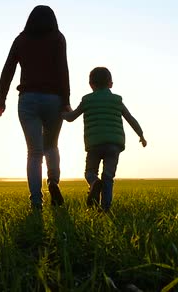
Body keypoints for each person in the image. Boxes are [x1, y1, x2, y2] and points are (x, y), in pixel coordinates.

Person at [0, 5, 71, 209]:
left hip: (28, 99)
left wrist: (1, 99)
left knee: (34, 152)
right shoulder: (57, 38)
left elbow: (8, 69)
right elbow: (63, 69)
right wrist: (66, 100)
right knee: (51, 145)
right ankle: (53, 182)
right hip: (53, 99)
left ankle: (36, 201)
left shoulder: (21, 39)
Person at [62, 67, 147, 211]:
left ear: (91, 85)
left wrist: (62, 112)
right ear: (111, 83)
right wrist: (141, 135)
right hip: (114, 145)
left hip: (94, 144)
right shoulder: (117, 100)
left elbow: (71, 118)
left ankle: (94, 182)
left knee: (90, 172)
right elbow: (130, 119)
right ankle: (105, 209)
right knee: (108, 177)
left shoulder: (87, 100)